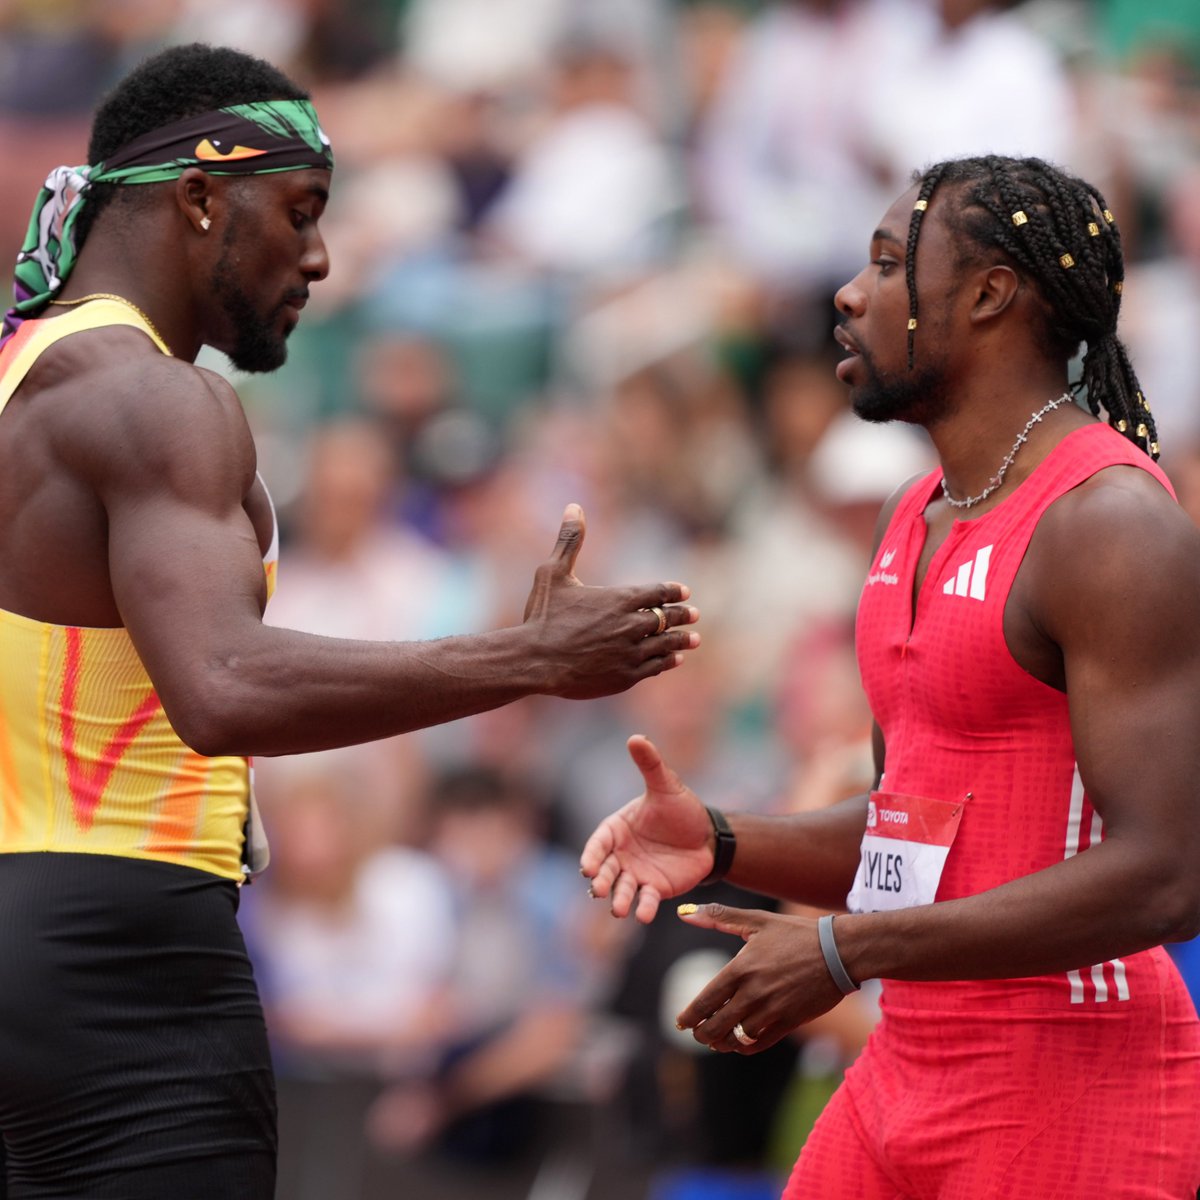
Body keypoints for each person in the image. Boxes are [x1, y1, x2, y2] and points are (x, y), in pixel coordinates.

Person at [0, 42, 699, 1199]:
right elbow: (220, 687)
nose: (321, 256)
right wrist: (529, 658)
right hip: (125, 946)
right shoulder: (162, 400)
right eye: (302, 211)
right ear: (196, 197)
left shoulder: (26, 370)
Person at [582, 154, 1200, 1198]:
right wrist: (728, 838)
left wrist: (844, 954)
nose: (848, 292)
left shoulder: (1110, 521)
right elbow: (907, 836)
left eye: (883, 263)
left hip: (1073, 1077)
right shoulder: (907, 518)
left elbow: (1168, 873)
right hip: (905, 1066)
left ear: (990, 295)